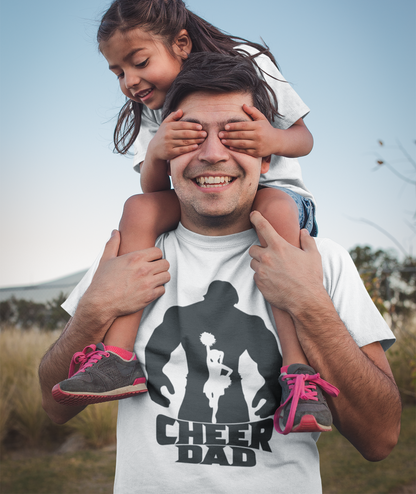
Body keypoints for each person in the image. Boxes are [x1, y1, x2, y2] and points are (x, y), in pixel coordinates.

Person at [39, 52, 401, 494]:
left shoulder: (322, 263)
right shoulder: (128, 260)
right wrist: (92, 311)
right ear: (166, 154)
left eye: (235, 135)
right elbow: (53, 407)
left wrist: (310, 304)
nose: (212, 154)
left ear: (267, 159)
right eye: (191, 136)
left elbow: (381, 439)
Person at [51, 0, 327, 434]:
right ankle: (117, 359)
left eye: (138, 62)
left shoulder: (246, 62)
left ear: (180, 42)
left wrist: (270, 140)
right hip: (201, 195)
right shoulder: (153, 109)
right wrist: (158, 149)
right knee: (138, 208)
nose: (130, 81)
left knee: (274, 205)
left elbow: (304, 138)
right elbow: (156, 186)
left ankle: (299, 376)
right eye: (117, 72)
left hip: (276, 195)